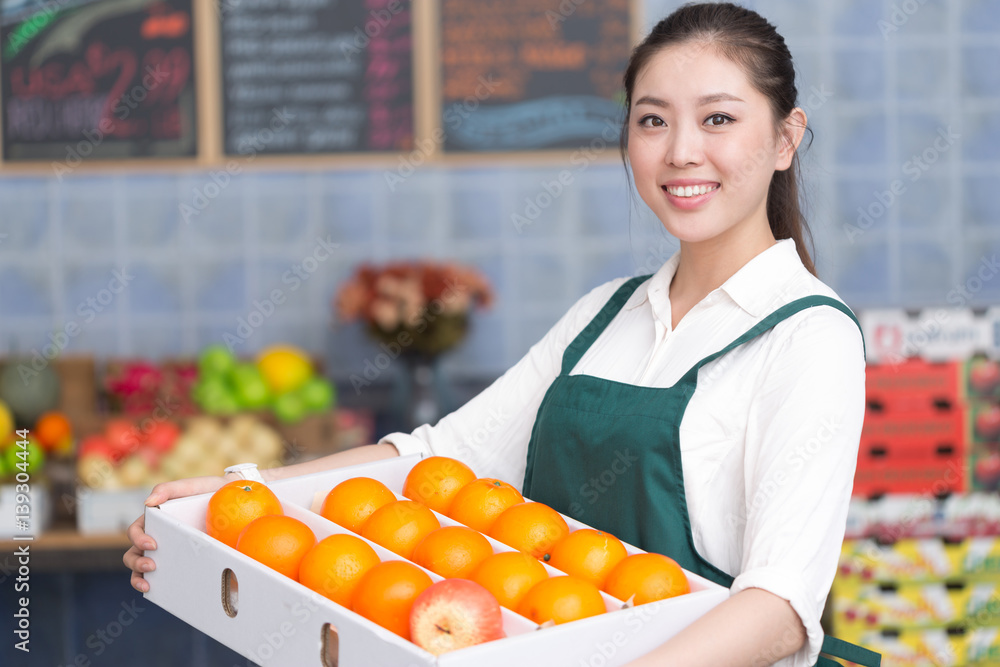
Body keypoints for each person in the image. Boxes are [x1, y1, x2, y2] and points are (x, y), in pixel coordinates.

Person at [126, 4, 880, 666]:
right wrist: (237, 495)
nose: (681, 150)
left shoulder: (809, 338)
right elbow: (438, 458)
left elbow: (780, 608)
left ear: (785, 138)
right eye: (653, 119)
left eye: (719, 118)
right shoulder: (602, 315)